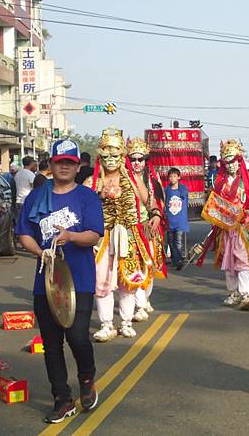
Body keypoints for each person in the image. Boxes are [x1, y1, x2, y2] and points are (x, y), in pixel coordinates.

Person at [16, 139, 104, 424]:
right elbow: (24, 233)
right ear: (51, 164)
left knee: (77, 337)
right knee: (51, 343)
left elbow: (94, 234)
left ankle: (87, 377)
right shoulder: (37, 196)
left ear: (78, 166)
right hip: (47, 281)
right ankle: (61, 398)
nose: (64, 166)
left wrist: (71, 237)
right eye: (59, 161)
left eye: (70, 162)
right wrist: (40, 252)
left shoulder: (87, 197)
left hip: (80, 280)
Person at [86, 128, 156, 342]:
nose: (110, 160)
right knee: (102, 280)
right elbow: (81, 207)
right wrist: (99, 195)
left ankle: (125, 322)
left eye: (115, 155)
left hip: (130, 236)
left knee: (129, 281)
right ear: (100, 156)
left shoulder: (134, 181)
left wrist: (156, 216)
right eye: (106, 156)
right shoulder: (92, 181)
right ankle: (107, 324)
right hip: (102, 238)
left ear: (122, 156)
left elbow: (149, 202)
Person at [197, 139, 249, 310]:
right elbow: (213, 202)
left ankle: (246, 294)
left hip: (241, 226)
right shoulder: (220, 181)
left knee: (243, 260)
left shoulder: (247, 179)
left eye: (233, 161)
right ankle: (233, 293)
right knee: (228, 260)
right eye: (227, 161)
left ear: (239, 161)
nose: (231, 165)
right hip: (225, 228)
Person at [126, 138, 166, 322]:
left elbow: (158, 201)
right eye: (133, 159)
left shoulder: (152, 178)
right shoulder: (123, 177)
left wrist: (157, 215)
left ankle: (144, 298)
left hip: (147, 227)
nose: (136, 163)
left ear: (145, 160)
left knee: (148, 265)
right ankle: (137, 304)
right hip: (126, 228)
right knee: (131, 265)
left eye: (140, 159)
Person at [165, 167, 190, 270]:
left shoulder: (183, 189)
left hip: (180, 220)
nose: (172, 178)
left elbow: (185, 198)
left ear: (179, 177)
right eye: (170, 176)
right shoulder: (166, 189)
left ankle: (179, 259)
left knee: (178, 241)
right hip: (169, 220)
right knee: (170, 241)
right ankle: (175, 260)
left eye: (175, 176)